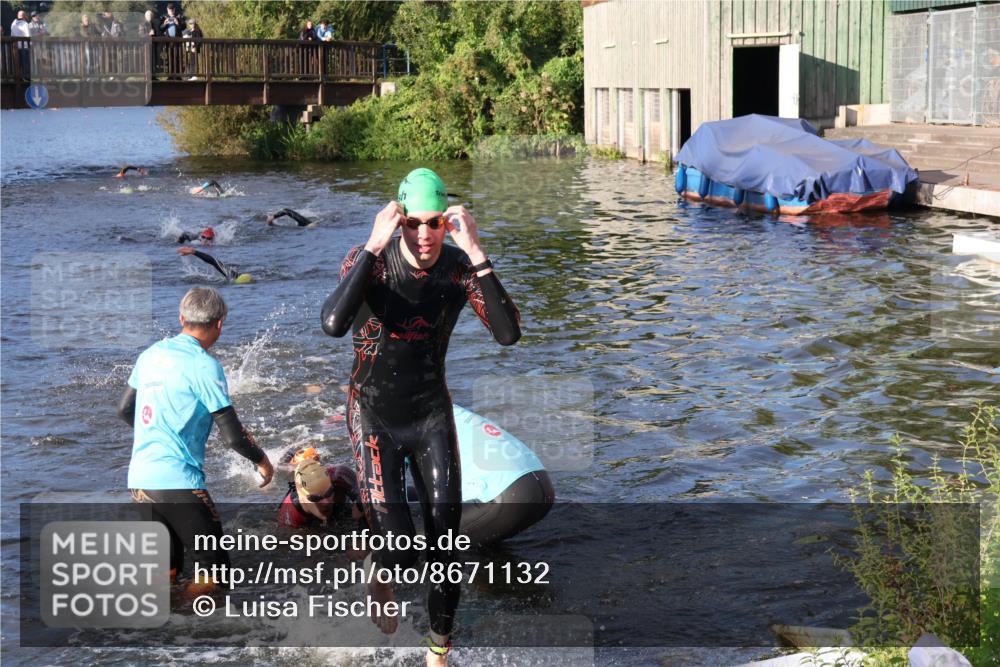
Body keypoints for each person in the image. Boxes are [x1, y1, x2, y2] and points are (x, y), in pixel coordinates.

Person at [321, 167, 521, 664]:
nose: (426, 234)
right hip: (373, 415)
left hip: (430, 413)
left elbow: (508, 334)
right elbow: (332, 323)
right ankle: (379, 569)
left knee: (446, 547)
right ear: (399, 221)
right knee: (402, 550)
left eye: (436, 223)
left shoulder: (457, 268)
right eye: (414, 223)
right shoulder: (373, 263)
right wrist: (371, 246)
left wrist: (476, 252)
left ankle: (439, 653)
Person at [117, 287, 274, 593]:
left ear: (181, 318)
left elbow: (124, 410)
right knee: (217, 577)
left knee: (166, 575)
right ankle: (203, 635)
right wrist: (264, 463)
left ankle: (162, 636)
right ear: (220, 324)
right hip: (179, 483)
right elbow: (234, 437)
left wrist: (158, 434)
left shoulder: (150, 354)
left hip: (139, 480)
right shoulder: (205, 366)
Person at [177, 246, 250, 283]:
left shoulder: (234, 276)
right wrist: (194, 252)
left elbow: (213, 261)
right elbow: (213, 261)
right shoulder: (234, 276)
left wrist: (194, 252)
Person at [10, 10, 30, 80]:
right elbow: (28, 36)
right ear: (24, 16)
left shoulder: (13, 24)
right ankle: (26, 77)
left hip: (15, 47)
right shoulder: (25, 24)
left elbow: (12, 35)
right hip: (24, 46)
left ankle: (19, 78)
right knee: (26, 63)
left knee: (18, 63)